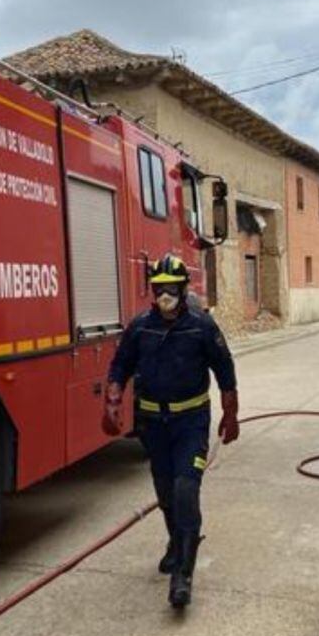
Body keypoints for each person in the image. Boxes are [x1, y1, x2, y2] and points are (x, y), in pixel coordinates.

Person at [102, 253, 239, 608]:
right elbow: (120, 366)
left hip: (191, 423)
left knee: (184, 489)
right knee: (165, 493)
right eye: (159, 287)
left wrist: (231, 413)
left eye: (172, 287)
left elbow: (224, 369)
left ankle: (183, 574)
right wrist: (112, 401)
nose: (165, 294)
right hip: (153, 426)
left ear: (183, 288)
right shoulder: (140, 327)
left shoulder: (201, 326)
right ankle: (176, 541)